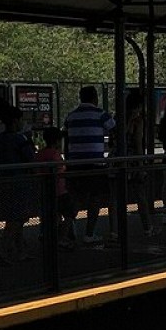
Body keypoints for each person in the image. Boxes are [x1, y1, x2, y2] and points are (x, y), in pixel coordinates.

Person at [63, 85, 114, 245]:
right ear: (95, 98)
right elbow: (114, 128)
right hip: (95, 164)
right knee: (95, 199)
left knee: (76, 198)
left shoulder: (70, 116)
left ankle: (66, 230)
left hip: (75, 164)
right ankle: (89, 233)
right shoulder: (101, 115)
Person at [0, 103, 35, 263]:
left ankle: (20, 250)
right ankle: (3, 248)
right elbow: (30, 159)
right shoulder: (20, 139)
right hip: (20, 183)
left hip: (3, 182)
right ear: (16, 121)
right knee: (17, 218)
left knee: (14, 216)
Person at [35, 126, 75, 249]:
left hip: (45, 191)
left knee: (53, 215)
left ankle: (51, 236)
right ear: (57, 141)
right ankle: (61, 237)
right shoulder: (55, 154)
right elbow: (61, 170)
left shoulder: (40, 154)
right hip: (59, 190)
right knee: (71, 212)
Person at [123, 91, 157, 238]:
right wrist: (141, 164)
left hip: (119, 158)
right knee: (140, 194)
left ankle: (115, 231)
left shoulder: (119, 117)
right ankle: (148, 227)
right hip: (134, 160)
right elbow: (138, 142)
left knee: (116, 197)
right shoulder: (138, 120)